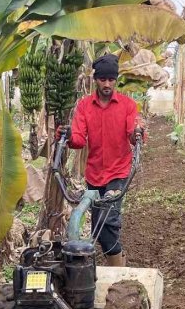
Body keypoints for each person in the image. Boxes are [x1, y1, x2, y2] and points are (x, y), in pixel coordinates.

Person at [58, 53, 145, 267]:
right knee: (98, 223)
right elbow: (79, 139)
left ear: (116, 80)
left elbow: (132, 135)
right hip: (95, 173)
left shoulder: (127, 105)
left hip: (118, 171)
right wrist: (68, 136)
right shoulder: (85, 106)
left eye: (111, 80)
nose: (107, 84)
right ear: (95, 79)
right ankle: (116, 259)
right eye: (103, 79)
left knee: (109, 219)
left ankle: (119, 268)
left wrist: (137, 132)